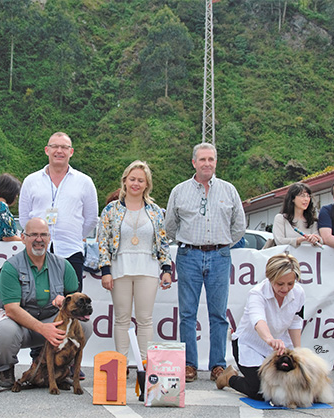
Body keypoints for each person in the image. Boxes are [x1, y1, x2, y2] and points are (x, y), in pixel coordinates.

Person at [165, 142, 245, 382]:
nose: (207, 163)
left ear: (216, 162)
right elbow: (170, 226)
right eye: (202, 159)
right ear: (194, 162)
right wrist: (190, 242)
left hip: (220, 256)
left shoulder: (229, 190)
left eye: (211, 159)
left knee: (218, 314)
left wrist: (222, 245)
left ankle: (217, 365)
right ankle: (189, 364)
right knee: (187, 313)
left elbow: (239, 226)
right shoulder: (179, 191)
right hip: (188, 255)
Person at [0, 218, 90, 388]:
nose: (39, 239)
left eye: (43, 235)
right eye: (33, 235)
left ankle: (62, 368)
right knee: (5, 330)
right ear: (23, 238)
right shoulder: (10, 267)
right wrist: (42, 328)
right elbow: (12, 309)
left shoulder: (64, 265)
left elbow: (74, 298)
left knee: (84, 325)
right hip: (20, 324)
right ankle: (6, 369)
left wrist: (63, 301)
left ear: (49, 238)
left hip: (52, 322)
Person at [97, 161, 172, 371]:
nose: (136, 183)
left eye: (140, 180)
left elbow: (163, 242)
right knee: (121, 319)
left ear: (147, 184)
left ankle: (145, 366)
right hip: (119, 267)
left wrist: (166, 268)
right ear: (125, 181)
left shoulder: (155, 211)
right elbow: (102, 241)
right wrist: (105, 270)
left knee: (145, 319)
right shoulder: (111, 210)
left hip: (148, 268)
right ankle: (120, 365)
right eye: (132, 179)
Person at [215, 253, 305, 398]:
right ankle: (229, 378)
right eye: (280, 284)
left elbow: (295, 320)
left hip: (280, 348)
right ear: (270, 278)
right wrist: (270, 339)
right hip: (250, 345)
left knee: (293, 387)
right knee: (260, 390)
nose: (285, 289)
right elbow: (258, 321)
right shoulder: (256, 294)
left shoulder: (299, 293)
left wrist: (299, 351)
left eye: (290, 284)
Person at [18, 132, 99, 291]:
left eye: (64, 147)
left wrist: (74, 234)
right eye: (55, 146)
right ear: (47, 150)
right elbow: (24, 218)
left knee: (72, 299)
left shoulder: (84, 182)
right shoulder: (31, 181)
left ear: (71, 152)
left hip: (71, 250)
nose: (59, 151)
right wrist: (36, 236)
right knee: (36, 297)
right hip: (36, 251)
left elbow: (91, 218)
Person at [273, 182, 322, 247]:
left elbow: (320, 241)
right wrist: (299, 240)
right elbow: (279, 241)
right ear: (293, 199)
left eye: (308, 196)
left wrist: (316, 239)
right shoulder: (281, 218)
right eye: (302, 196)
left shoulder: (312, 221)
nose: (306, 199)